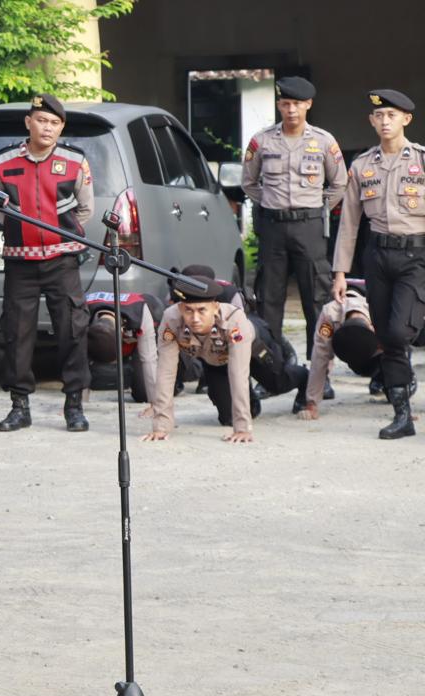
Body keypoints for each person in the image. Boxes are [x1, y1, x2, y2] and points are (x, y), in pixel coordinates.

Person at [0, 93, 94, 432]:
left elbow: (85, 209)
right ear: (28, 122)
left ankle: (74, 405)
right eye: (41, 120)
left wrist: (62, 236)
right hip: (19, 262)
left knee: (73, 331)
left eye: (54, 122)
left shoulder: (75, 160)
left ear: (61, 127)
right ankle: (19, 406)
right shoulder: (3, 160)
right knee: (17, 334)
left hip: (62, 260)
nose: (47, 127)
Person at [333, 89, 425, 440]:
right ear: (371, 121)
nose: (385, 121)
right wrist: (340, 271)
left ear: (406, 119)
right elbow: (350, 223)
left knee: (400, 332)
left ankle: (408, 352)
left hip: (416, 256)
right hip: (378, 256)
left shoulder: (421, 160)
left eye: (392, 115)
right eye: (379, 116)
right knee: (386, 336)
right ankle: (403, 414)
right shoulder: (362, 165)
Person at [241, 76, 348, 370]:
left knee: (316, 299)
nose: (291, 110)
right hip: (273, 226)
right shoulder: (261, 141)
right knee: (269, 299)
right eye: (286, 104)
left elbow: (339, 183)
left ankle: (319, 371)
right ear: (279, 105)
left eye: (297, 104)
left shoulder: (324, 141)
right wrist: (271, 200)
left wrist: (318, 205)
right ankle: (271, 367)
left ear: (308, 105)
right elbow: (248, 182)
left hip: (310, 225)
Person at [143, 276, 259, 444]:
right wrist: (161, 427)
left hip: (254, 348)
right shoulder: (171, 319)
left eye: (202, 310)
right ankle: (249, 400)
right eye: (188, 310)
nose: (195, 318)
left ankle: (300, 379)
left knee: (277, 381)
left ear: (215, 307)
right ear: (180, 308)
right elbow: (165, 372)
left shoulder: (234, 319)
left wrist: (242, 428)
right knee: (227, 417)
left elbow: (238, 373)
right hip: (216, 360)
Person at [297, 283, 381, 419]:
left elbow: (399, 350)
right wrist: (311, 403)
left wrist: (402, 405)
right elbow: (319, 358)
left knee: (395, 347)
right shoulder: (329, 316)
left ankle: (388, 383)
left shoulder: (380, 309)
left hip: (378, 354)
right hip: (352, 353)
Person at [83, 291, 164, 407]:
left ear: (122, 332)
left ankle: (181, 374)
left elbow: (149, 359)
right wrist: (77, 405)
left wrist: (155, 405)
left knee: (144, 394)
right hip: (114, 328)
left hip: (145, 331)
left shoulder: (140, 311)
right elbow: (78, 360)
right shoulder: (81, 313)